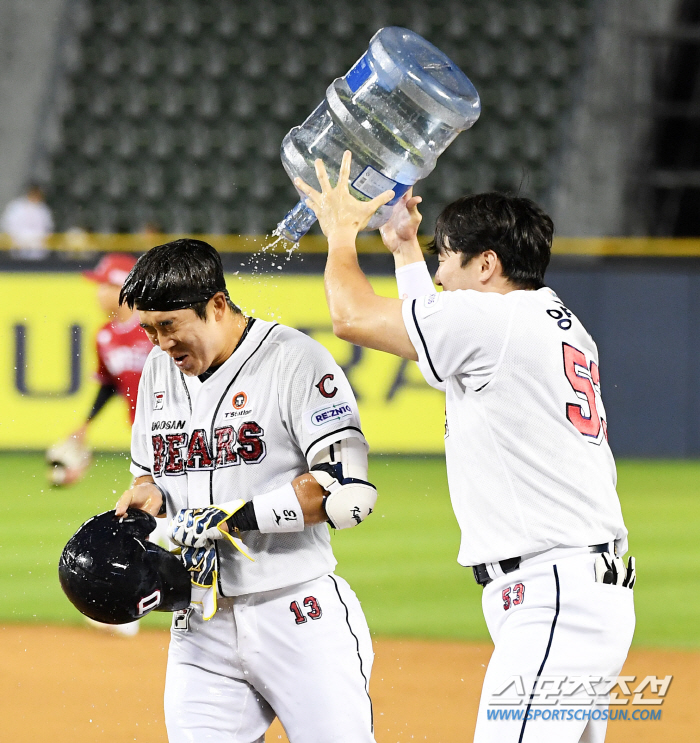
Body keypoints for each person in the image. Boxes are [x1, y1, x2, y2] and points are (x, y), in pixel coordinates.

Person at [294, 151, 636, 743]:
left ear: (486, 265)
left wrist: (341, 233)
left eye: (444, 257)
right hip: (579, 589)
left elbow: (350, 317)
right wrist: (403, 249)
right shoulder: (549, 319)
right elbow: (440, 345)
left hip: (553, 596)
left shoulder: (489, 323)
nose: (440, 273)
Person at [114, 238, 378, 743]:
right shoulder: (157, 372)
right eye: (148, 330)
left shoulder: (296, 360)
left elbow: (347, 493)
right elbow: (149, 475)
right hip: (199, 624)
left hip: (298, 615)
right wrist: (146, 496)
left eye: (169, 326)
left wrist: (231, 518)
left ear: (216, 305)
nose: (160, 344)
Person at [0, 183, 54, 260]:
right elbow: (7, 225)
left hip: (38, 250)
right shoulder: (16, 207)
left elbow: (48, 228)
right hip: (18, 246)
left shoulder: (43, 209)